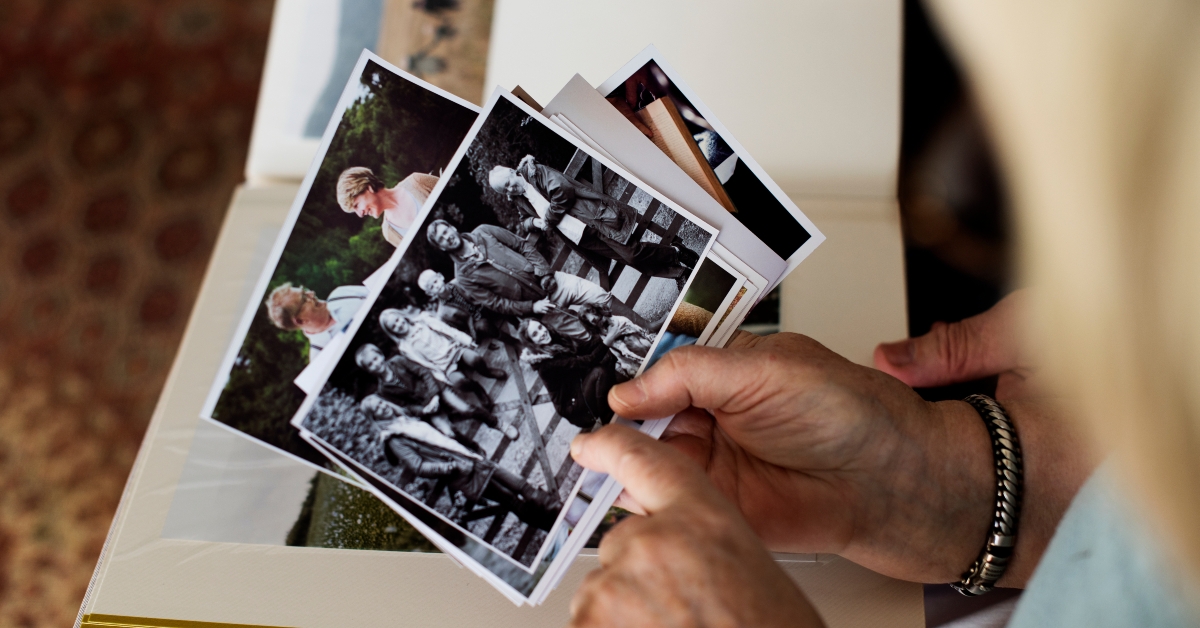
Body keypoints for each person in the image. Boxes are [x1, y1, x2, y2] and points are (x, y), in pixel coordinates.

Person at [488, 156, 697, 279]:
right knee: (628, 259)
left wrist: (548, 219)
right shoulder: (519, 200)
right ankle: (680, 273)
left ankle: (676, 252)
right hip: (579, 237)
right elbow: (523, 221)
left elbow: (562, 191)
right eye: (505, 190)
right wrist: (534, 221)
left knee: (632, 254)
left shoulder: (535, 172)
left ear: (512, 172)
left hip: (592, 220)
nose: (510, 189)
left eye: (508, 183)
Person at [374, 404, 562, 531]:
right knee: (512, 501)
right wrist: (451, 467)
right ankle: (553, 526)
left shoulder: (405, 418)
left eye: (381, 403)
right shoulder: (394, 440)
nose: (383, 407)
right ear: (374, 418)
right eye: (377, 409)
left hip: (471, 459)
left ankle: (559, 512)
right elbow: (418, 466)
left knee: (521, 485)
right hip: (463, 472)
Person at [426, 219, 613, 346]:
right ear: (442, 247)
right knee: (588, 337)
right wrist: (531, 307)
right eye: (441, 239)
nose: (447, 237)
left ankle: (625, 328)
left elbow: (522, 245)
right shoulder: (463, 277)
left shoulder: (483, 231)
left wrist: (544, 273)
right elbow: (496, 303)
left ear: (452, 227)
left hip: (554, 283)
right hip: (540, 310)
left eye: (445, 231)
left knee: (602, 299)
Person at [354, 343, 518, 441]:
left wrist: (434, 395)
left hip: (437, 390)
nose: (376, 364)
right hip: (426, 407)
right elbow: (405, 405)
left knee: (466, 409)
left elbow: (424, 372)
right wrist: (424, 410)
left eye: (375, 359)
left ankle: (498, 424)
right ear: (368, 370)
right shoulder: (383, 390)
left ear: (380, 355)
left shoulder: (398, 362)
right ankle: (474, 450)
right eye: (370, 365)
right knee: (448, 433)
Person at [517, 318, 618, 430]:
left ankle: (612, 397)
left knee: (607, 357)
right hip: (573, 405)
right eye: (535, 334)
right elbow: (589, 360)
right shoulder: (545, 365)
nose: (542, 333)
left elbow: (585, 346)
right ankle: (608, 419)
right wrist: (607, 341)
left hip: (578, 384)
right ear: (532, 343)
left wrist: (605, 334)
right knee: (599, 373)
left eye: (540, 327)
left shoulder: (556, 338)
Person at [336, 166, 438, 247]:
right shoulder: (390, 232)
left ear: (368, 188)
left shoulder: (417, 182)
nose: (360, 214)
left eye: (357, 205)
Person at [264, 282, 368, 361]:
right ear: (300, 321)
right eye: (305, 298)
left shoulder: (341, 294)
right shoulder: (319, 356)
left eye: (305, 290)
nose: (312, 293)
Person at [580, 304, 656, 379]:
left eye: (591, 311)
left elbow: (641, 332)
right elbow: (623, 355)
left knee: (642, 343)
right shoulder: (603, 336)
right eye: (586, 318)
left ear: (597, 309)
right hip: (633, 362)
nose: (592, 318)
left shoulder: (621, 321)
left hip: (646, 347)